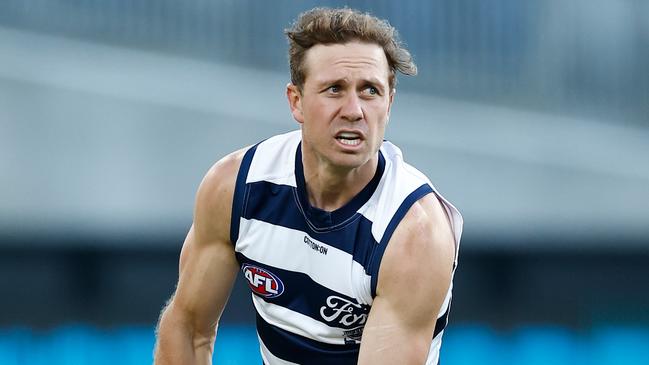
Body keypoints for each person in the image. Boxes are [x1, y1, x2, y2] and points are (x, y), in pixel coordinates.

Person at [154, 7, 462, 365]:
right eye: (334, 89)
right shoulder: (236, 185)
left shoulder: (413, 233)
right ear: (296, 101)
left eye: (370, 91)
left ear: (389, 104)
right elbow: (187, 330)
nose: (354, 110)